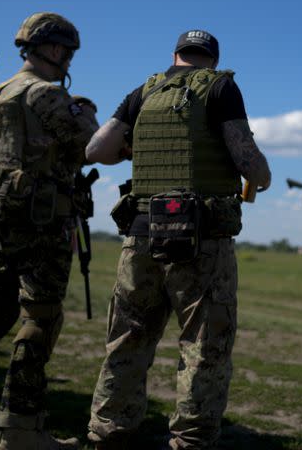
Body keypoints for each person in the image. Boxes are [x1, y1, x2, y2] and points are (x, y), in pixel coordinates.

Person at [86, 29, 271, 450]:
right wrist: (263, 175)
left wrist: (136, 151)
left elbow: (95, 150)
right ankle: (191, 440)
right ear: (212, 58)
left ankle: (109, 433)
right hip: (201, 238)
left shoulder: (144, 92)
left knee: (128, 338)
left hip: (141, 234)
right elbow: (247, 161)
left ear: (175, 56)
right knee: (204, 347)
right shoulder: (221, 87)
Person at [0, 12, 98, 449]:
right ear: (52, 49)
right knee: (40, 319)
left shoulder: (2, 91)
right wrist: (87, 112)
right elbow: (96, 145)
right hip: (43, 221)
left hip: (4, 217)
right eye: (66, 51)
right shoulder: (46, 95)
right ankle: (22, 428)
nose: (67, 60)